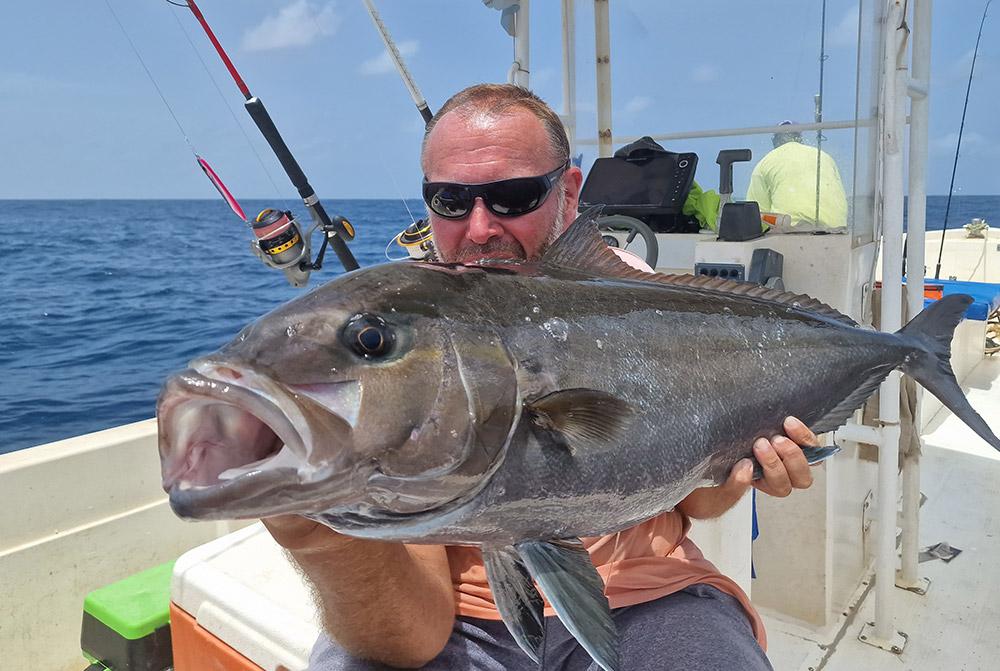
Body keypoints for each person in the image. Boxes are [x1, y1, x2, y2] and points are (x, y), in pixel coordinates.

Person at [263, 84, 819, 670]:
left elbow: (693, 502)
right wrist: (313, 531)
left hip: (650, 589)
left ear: (568, 193)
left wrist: (739, 468)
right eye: (450, 200)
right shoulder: (407, 333)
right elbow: (413, 635)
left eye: (515, 196)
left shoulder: (640, 295)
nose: (480, 230)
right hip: (459, 615)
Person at [746, 120, 848, 231]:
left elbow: (754, 215)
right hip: (838, 229)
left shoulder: (764, 163)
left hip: (793, 232)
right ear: (800, 139)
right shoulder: (824, 157)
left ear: (774, 140)